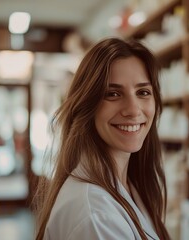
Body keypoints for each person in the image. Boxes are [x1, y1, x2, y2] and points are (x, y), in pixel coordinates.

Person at [34, 37, 170, 240]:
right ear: (87, 105)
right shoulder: (96, 217)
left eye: (143, 92)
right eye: (113, 94)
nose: (133, 110)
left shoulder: (128, 185)